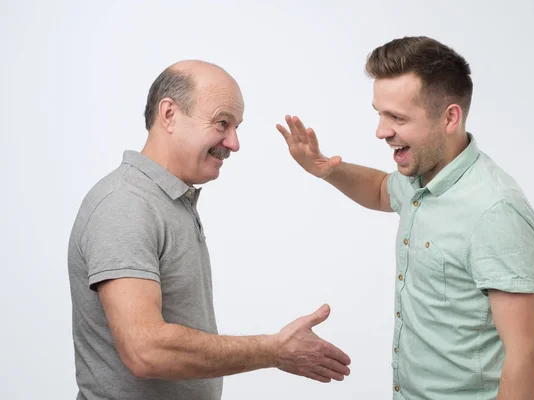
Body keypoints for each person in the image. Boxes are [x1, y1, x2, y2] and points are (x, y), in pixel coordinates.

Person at [276, 36, 534, 399]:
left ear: (450, 117)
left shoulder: (495, 210)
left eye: (397, 118)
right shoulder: (421, 174)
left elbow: (526, 355)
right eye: (380, 114)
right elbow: (380, 190)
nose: (381, 131)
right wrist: (325, 170)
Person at [67, 60, 351, 400]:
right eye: (222, 123)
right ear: (169, 115)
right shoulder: (126, 205)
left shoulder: (167, 200)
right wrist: (274, 350)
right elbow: (146, 350)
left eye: (236, 127)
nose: (233, 143)